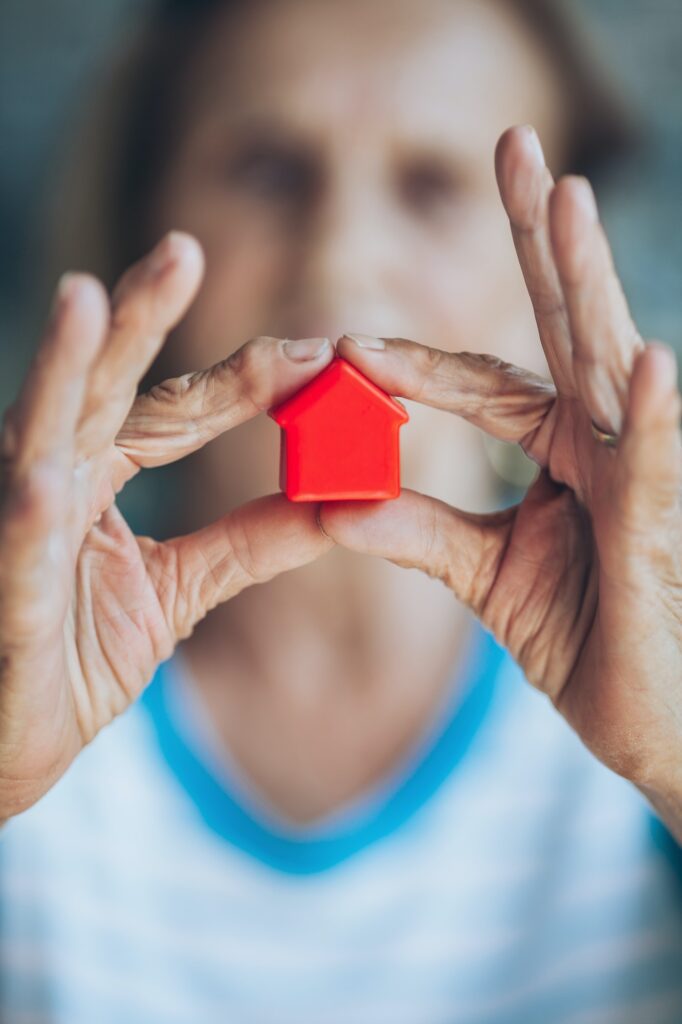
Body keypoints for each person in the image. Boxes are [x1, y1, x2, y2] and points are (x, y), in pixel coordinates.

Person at [1, 0, 681, 1021]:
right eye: (267, 168)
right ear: (143, 217)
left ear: (545, 291)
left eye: (434, 185)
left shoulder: (651, 736)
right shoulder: (26, 708)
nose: (341, 260)